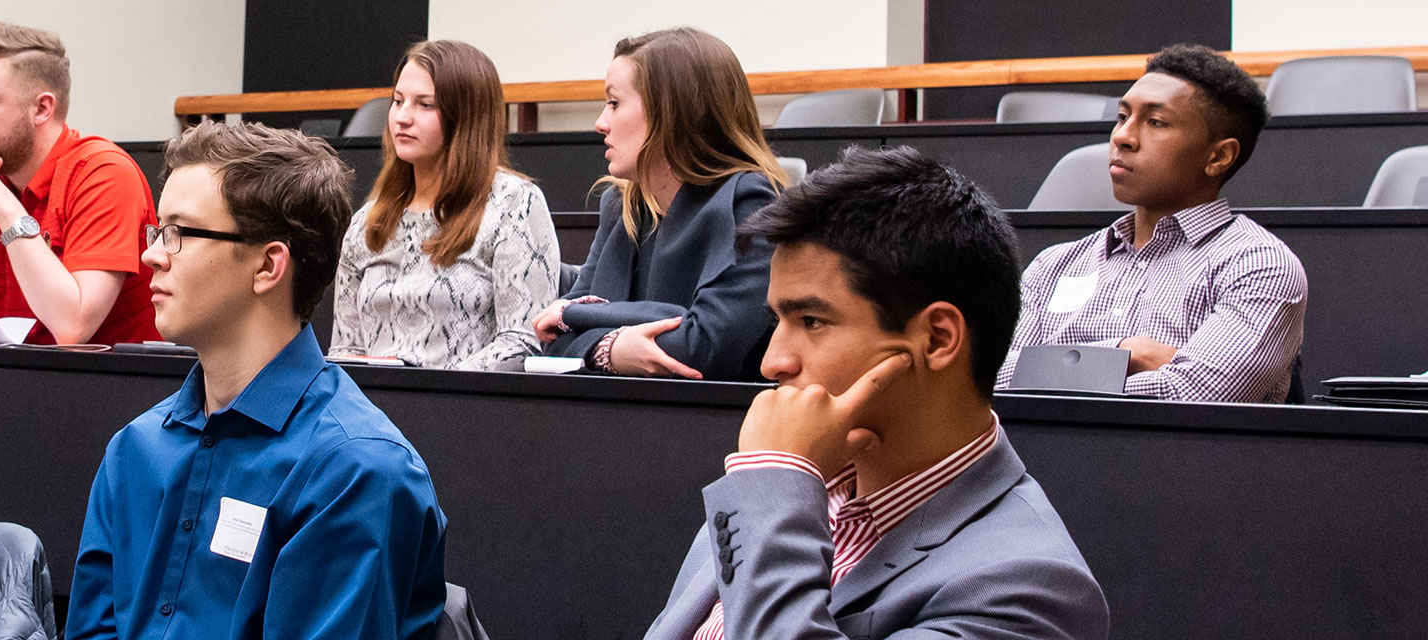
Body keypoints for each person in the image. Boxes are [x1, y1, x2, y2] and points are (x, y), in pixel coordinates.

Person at [639, 146, 1109, 639]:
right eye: (776, 321)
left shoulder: (1028, 587)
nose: (772, 362)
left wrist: (774, 485)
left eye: (812, 321)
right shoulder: (798, 482)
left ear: (937, 338)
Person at [71, 122, 447, 639]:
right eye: (157, 231)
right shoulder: (135, 450)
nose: (152, 255)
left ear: (269, 265)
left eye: (180, 233)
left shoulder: (356, 471)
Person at [1000, 44, 1306, 403]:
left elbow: (1196, 395)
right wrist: (1127, 353)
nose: (1122, 137)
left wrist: (1051, 370)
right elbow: (991, 383)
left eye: (1156, 122)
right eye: (1122, 116)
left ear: (1218, 156)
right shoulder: (1054, 265)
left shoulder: (1258, 265)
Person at [531, 27, 789, 381]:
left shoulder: (750, 203)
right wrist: (610, 349)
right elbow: (552, 338)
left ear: (671, 114)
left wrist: (582, 317)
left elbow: (702, 348)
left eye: (614, 103)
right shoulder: (620, 204)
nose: (600, 123)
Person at [0, 21, 161, 345]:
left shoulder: (103, 173)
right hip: (19, 379)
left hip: (110, 384)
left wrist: (7, 210)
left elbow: (72, 328)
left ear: (41, 108)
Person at [331, 39, 558, 371]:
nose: (402, 117)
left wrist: (434, 390)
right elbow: (345, 349)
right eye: (397, 101)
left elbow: (521, 342)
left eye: (425, 105)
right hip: (373, 411)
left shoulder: (515, 204)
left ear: (465, 118)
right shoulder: (367, 221)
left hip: (463, 409)